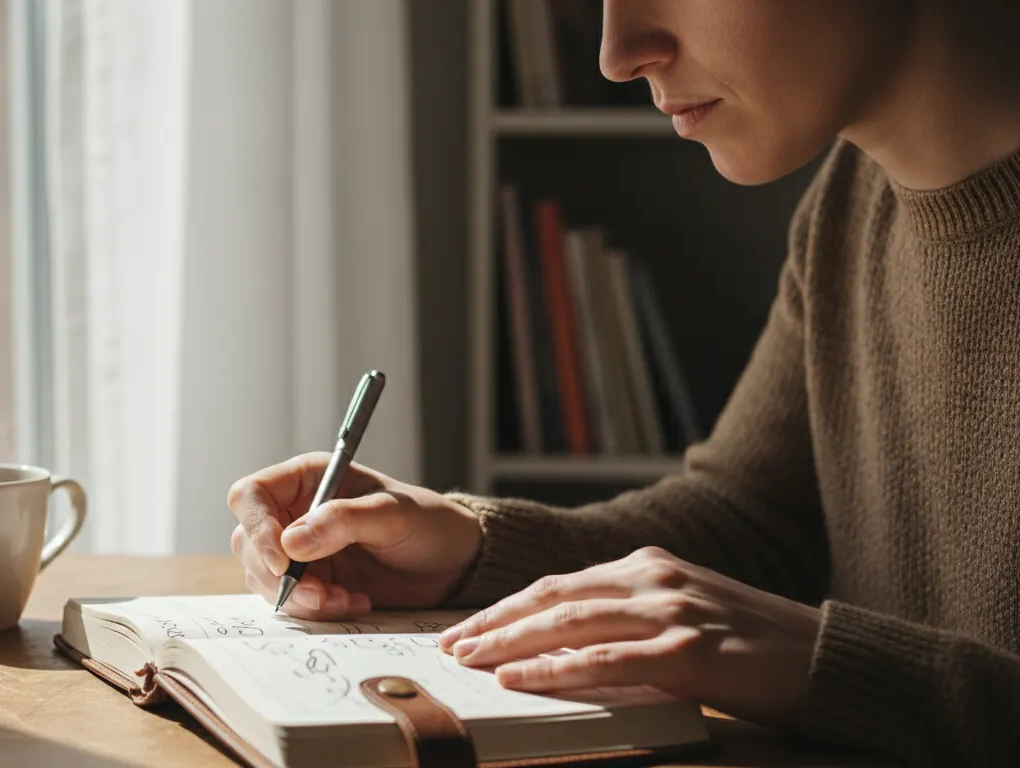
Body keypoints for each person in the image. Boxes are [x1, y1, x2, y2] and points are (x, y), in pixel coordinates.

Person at [227, 1, 1020, 764]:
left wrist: (831, 669)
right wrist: (468, 550)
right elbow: (750, 520)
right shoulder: (852, 199)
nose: (617, 54)